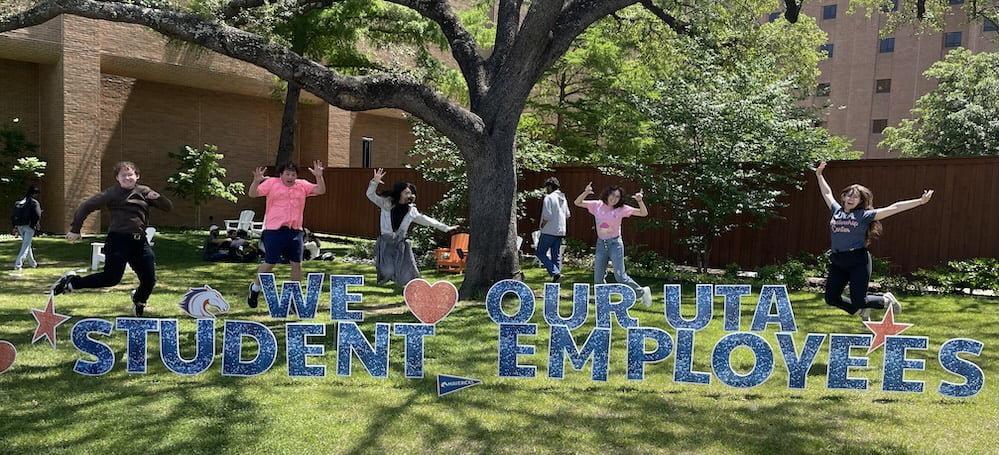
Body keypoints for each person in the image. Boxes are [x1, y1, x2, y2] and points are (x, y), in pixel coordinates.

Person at [51, 161, 173, 316]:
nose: (127, 178)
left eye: (130, 174)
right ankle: (72, 282)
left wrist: (158, 198)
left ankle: (139, 300)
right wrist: (75, 229)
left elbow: (168, 207)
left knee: (149, 280)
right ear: (117, 178)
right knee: (111, 278)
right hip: (118, 241)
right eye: (123, 175)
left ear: (137, 176)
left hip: (140, 242)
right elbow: (85, 206)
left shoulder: (144, 191)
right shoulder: (112, 193)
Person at [815, 161, 933, 320]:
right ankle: (858, 310)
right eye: (848, 195)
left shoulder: (864, 215)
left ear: (860, 201)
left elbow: (894, 208)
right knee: (831, 298)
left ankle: (885, 300)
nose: (851, 198)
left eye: (855, 197)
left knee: (860, 299)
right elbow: (827, 193)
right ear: (843, 197)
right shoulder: (836, 211)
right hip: (838, 260)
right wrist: (819, 175)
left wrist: (919, 201)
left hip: (857, 260)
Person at [246, 160, 326, 308]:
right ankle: (255, 288)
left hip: (295, 231)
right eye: (287, 174)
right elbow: (252, 194)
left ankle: (295, 299)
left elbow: (320, 191)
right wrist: (256, 181)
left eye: (293, 174)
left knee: (297, 264)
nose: (290, 177)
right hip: (274, 230)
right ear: (281, 175)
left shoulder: (302, 185)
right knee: (270, 263)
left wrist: (319, 176)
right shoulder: (272, 184)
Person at [366, 168, 457, 285]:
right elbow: (370, 194)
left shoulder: (411, 211)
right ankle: (388, 277)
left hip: (401, 243)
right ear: (399, 193)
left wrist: (446, 228)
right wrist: (375, 182)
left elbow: (427, 220)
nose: (409, 195)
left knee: (407, 272)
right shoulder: (386, 203)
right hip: (386, 242)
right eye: (406, 193)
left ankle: (413, 286)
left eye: (410, 193)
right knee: (387, 271)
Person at [574, 182, 652, 307]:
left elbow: (643, 213)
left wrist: (640, 201)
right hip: (601, 244)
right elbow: (577, 202)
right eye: (613, 195)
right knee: (598, 278)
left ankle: (642, 292)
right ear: (607, 194)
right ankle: (604, 303)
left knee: (620, 276)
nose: (614, 199)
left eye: (617, 197)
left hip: (615, 244)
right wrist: (586, 192)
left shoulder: (622, 209)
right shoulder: (597, 205)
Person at [536, 176, 571, 283]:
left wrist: (542, 225)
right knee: (555, 256)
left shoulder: (549, 197)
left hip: (549, 230)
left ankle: (555, 272)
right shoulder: (563, 198)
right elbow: (567, 214)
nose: (547, 189)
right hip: (560, 230)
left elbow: (547, 215)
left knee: (540, 253)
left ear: (550, 187)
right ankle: (556, 278)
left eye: (547, 187)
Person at [11, 185, 41, 270]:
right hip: (29, 226)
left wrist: (14, 226)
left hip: (20, 225)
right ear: (34, 194)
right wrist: (34, 225)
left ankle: (33, 263)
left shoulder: (20, 202)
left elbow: (13, 215)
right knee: (25, 246)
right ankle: (18, 264)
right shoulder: (34, 202)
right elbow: (37, 214)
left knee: (27, 244)